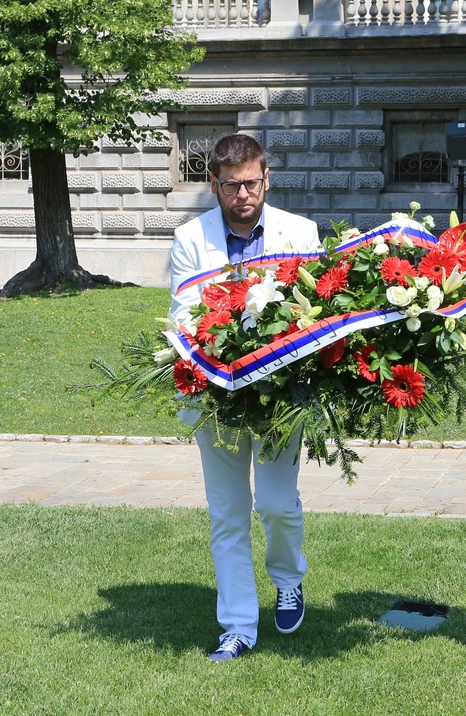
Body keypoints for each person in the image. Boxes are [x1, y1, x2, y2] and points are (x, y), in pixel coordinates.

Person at [169, 134, 321, 661]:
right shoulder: (190, 238)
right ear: (214, 184)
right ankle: (237, 626)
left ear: (266, 179)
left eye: (252, 184)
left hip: (281, 396)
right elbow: (184, 313)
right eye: (232, 186)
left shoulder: (300, 233)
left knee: (276, 504)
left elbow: (315, 311)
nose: (243, 195)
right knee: (228, 513)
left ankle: (288, 579)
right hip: (216, 398)